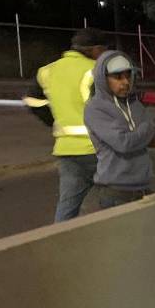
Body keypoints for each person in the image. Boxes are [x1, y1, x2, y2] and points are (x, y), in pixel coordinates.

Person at [22, 28, 107, 221]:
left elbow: (31, 100)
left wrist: (53, 120)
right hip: (99, 149)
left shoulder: (47, 71)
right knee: (120, 198)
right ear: (95, 49)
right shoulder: (96, 71)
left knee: (68, 206)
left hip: (66, 150)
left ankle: (61, 237)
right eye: (103, 50)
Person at [83, 51, 155, 209]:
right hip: (116, 193)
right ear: (103, 79)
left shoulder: (135, 105)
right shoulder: (95, 108)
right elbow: (123, 143)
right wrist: (147, 129)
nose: (125, 82)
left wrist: (140, 136)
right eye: (118, 77)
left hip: (143, 187)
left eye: (128, 76)